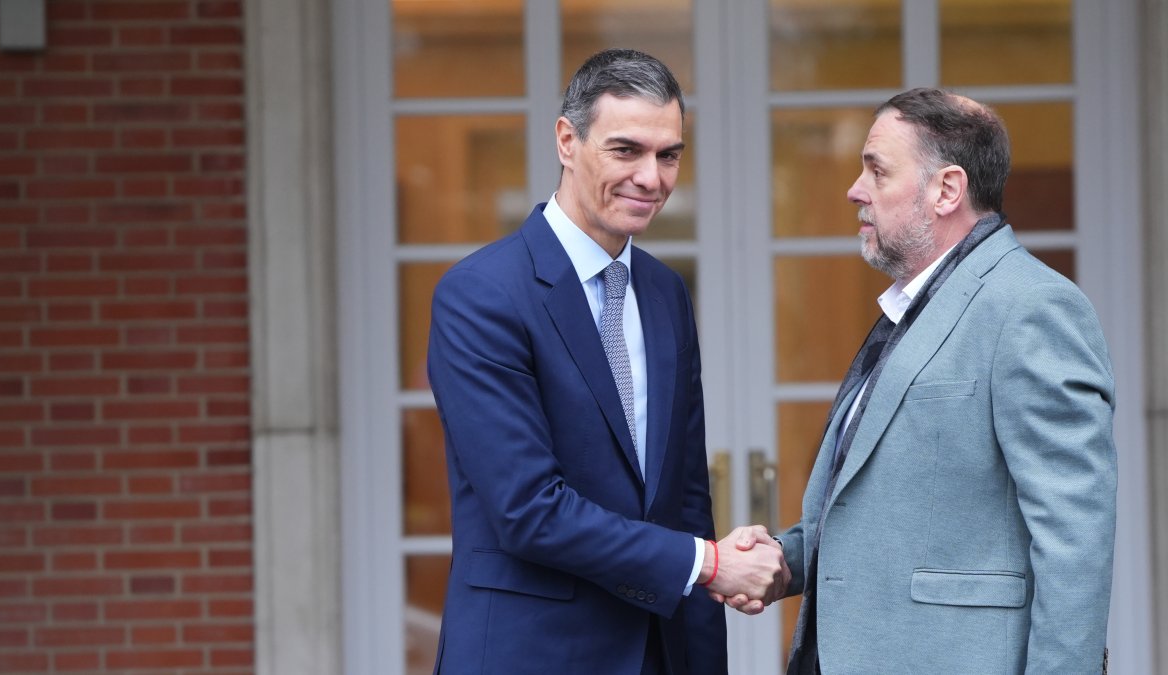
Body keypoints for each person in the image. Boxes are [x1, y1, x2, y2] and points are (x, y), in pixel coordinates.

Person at [427, 49, 790, 674]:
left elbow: (685, 501)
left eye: (668, 154)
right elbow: (528, 509)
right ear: (567, 140)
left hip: (658, 651)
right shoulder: (482, 293)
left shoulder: (664, 291)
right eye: (627, 151)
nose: (652, 178)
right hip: (530, 653)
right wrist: (709, 562)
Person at [733, 88, 1117, 673]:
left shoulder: (1033, 308)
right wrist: (788, 558)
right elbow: (899, 515)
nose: (855, 191)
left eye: (877, 171)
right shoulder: (912, 308)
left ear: (946, 190)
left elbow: (1075, 546)